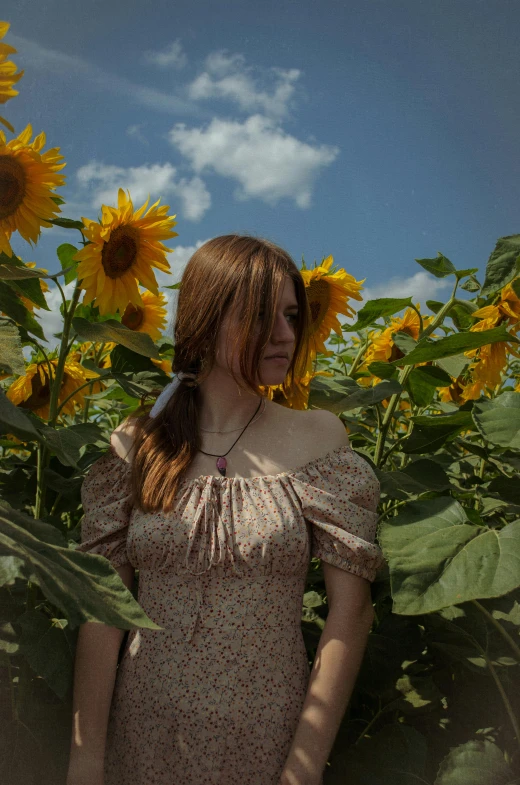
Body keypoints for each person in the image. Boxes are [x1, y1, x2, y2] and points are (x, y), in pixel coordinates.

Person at [66, 235, 385, 785]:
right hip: (142, 737)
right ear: (207, 320)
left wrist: (301, 772)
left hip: (267, 743)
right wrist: (85, 762)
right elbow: (103, 610)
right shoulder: (138, 444)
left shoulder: (319, 440)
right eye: (264, 317)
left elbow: (350, 614)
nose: (287, 335)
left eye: (293, 315)